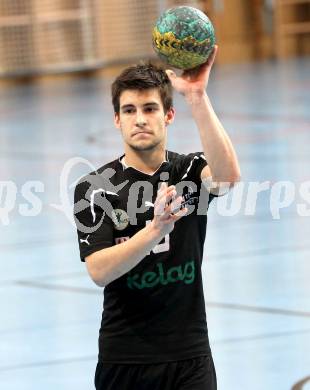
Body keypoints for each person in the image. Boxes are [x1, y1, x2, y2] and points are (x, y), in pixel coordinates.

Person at [74, 45, 240, 390]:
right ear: (117, 119)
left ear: (168, 115)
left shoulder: (188, 172)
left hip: (189, 355)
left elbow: (227, 178)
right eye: (129, 110)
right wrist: (154, 230)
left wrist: (196, 96)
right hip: (126, 359)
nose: (140, 119)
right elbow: (99, 271)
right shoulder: (95, 188)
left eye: (150, 108)